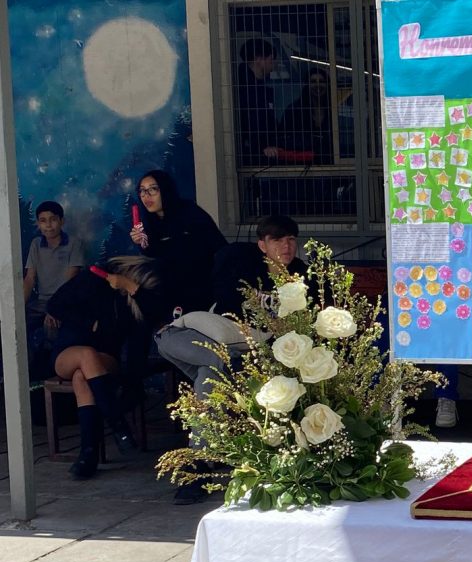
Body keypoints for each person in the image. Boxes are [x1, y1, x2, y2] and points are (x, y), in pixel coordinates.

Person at [156, 215, 306, 504]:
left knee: (210, 375)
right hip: (207, 337)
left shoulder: (301, 274)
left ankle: (197, 464)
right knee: (207, 360)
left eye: (291, 239)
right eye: (277, 240)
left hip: (251, 351)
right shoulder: (241, 263)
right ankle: (205, 458)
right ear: (263, 245)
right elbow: (227, 303)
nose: (286, 246)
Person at [48, 257, 168, 480]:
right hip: (68, 351)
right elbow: (54, 304)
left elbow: (142, 337)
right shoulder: (93, 280)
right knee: (85, 355)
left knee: (82, 378)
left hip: (104, 358)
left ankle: (88, 455)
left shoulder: (134, 303)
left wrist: (131, 288)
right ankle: (116, 423)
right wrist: (89, 324)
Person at [131, 170, 227, 315]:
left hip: (205, 287)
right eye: (142, 191)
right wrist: (142, 242)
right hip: (175, 293)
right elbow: (157, 253)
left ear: (165, 190)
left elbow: (218, 248)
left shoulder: (190, 213)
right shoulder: (151, 221)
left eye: (153, 189)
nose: (147, 196)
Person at [22, 201, 84, 373]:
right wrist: (18, 308)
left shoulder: (73, 243)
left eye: (53, 219)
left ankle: (56, 368)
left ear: (62, 221)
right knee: (18, 324)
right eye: (43, 220)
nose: (48, 225)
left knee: (58, 328)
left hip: (65, 301)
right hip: (41, 303)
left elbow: (72, 281)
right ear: (38, 223)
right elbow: (29, 279)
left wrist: (56, 308)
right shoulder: (36, 244)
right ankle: (26, 369)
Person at [234, 38, 283, 166]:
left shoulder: (259, 87)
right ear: (258, 59)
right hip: (252, 153)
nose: (274, 64)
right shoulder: (242, 89)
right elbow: (251, 120)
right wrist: (262, 146)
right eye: (271, 59)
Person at [282, 68, 333, 165]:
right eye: (313, 81)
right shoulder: (294, 110)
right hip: (300, 165)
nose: (318, 85)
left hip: (330, 164)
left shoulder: (333, 109)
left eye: (321, 81)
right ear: (307, 85)